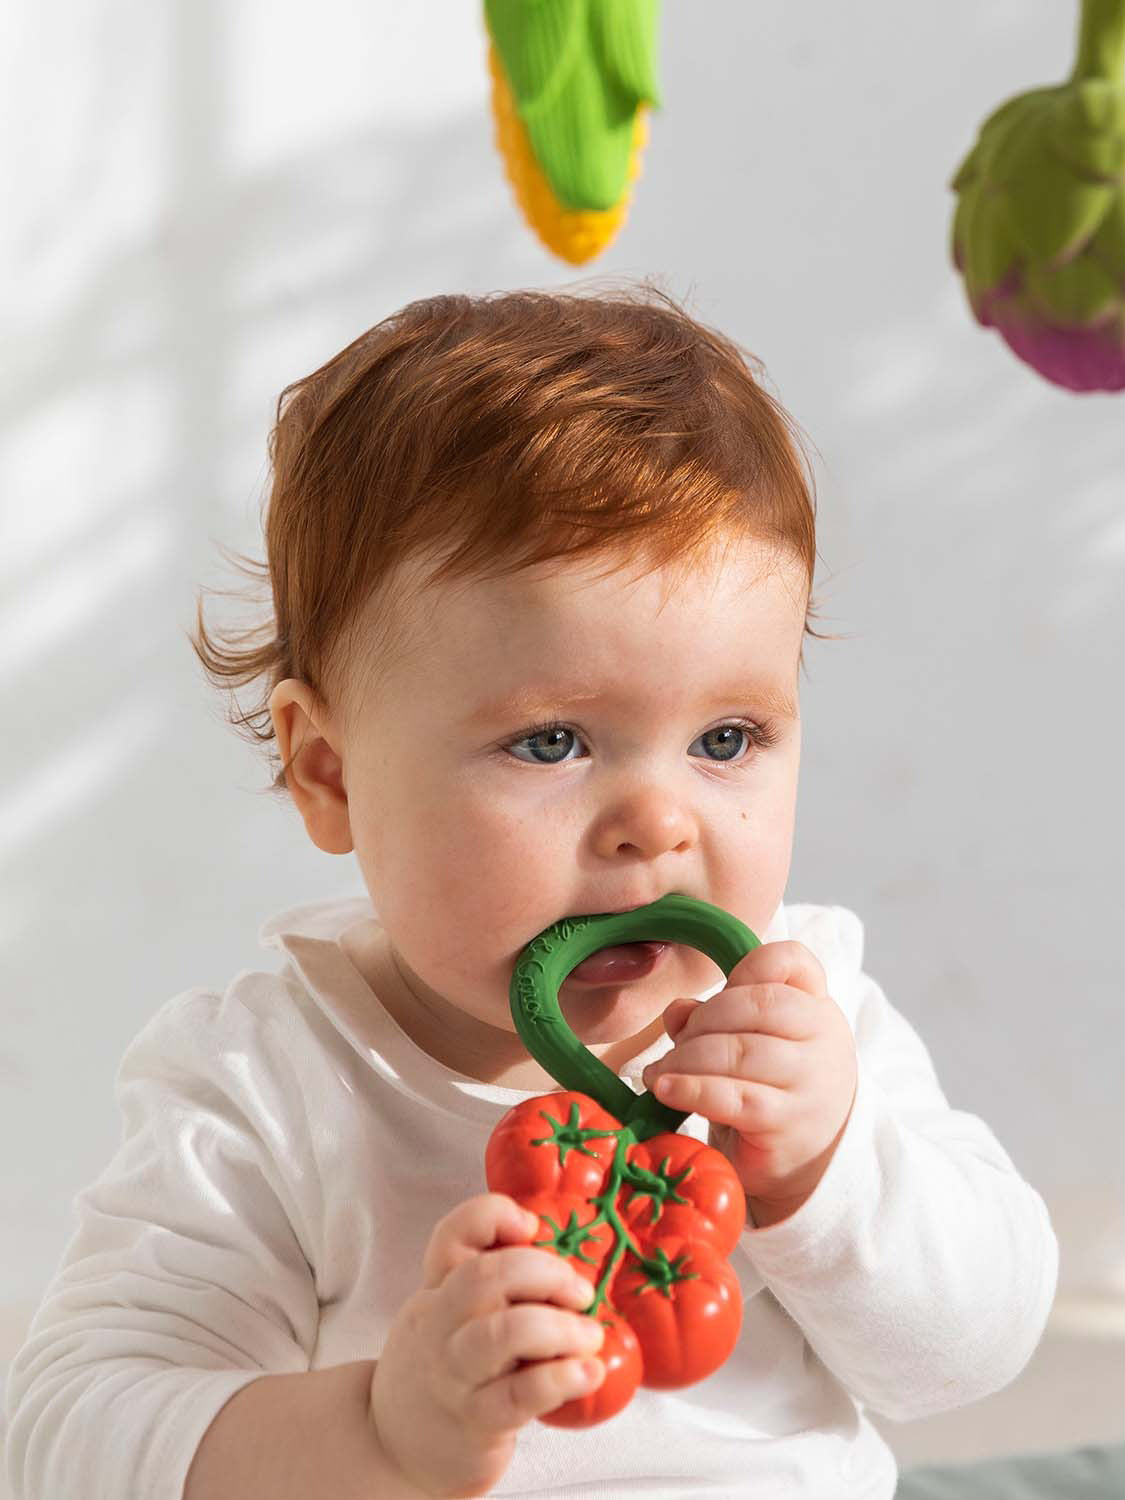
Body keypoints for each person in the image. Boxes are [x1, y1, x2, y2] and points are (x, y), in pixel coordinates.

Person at [4, 281, 1059, 1500]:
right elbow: (69, 1439)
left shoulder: (802, 1020)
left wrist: (830, 1169)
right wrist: (384, 1430)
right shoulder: (263, 1086)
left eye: (726, 740)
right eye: (553, 742)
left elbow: (973, 1354)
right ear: (330, 773)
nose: (658, 824)